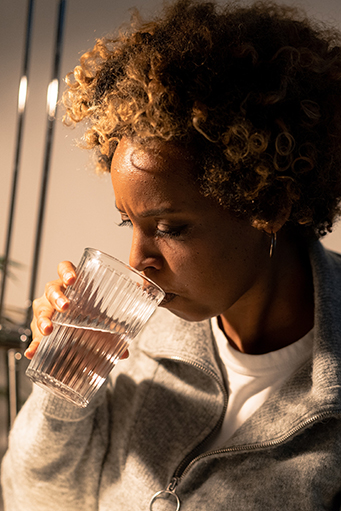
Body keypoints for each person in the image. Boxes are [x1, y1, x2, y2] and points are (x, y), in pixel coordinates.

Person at [2, 0, 341, 509]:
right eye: (128, 222)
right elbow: (36, 499)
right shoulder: (127, 338)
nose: (137, 263)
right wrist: (64, 388)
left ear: (268, 204)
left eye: (168, 227)